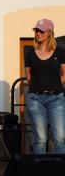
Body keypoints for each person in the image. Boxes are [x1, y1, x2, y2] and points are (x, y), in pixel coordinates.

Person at [25, 19, 65, 154]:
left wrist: (53, 83)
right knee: (40, 139)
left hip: (56, 99)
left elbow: (64, 75)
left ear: (50, 33)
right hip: (35, 99)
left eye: (41, 31)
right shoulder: (30, 53)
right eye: (36, 31)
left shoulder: (60, 52)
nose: (38, 33)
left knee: (60, 138)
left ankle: (60, 167)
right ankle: (39, 168)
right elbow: (29, 77)